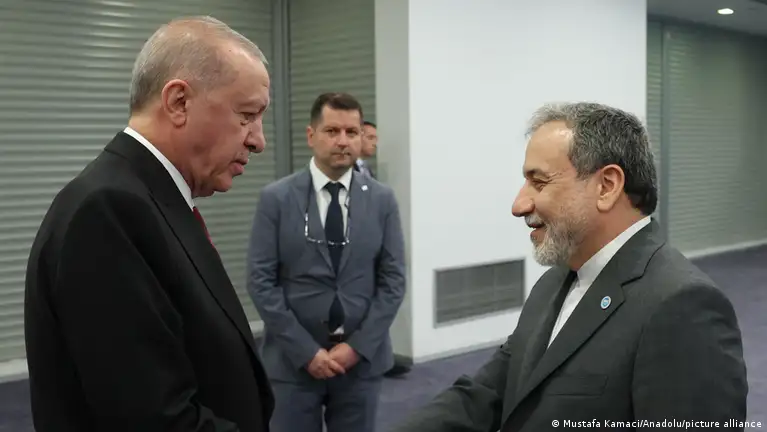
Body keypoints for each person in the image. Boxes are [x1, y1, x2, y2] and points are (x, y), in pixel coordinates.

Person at [392, 102, 748, 432]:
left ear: (606, 186)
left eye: (539, 181)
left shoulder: (682, 306)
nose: (519, 204)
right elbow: (488, 393)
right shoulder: (553, 283)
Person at [24, 16, 274, 432]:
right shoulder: (107, 212)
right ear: (179, 102)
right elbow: (153, 418)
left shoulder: (148, 199)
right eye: (247, 115)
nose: (258, 140)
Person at [247, 92, 406, 432]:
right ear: (311, 135)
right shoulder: (276, 199)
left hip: (361, 363)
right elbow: (261, 282)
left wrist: (357, 347)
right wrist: (306, 352)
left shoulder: (382, 200)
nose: (343, 141)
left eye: (352, 132)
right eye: (332, 131)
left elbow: (393, 281)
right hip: (293, 363)